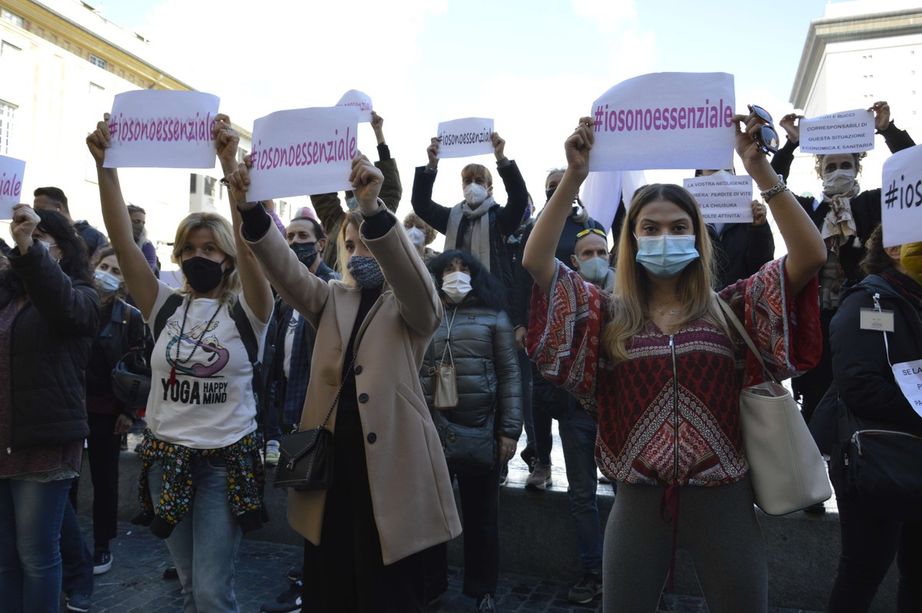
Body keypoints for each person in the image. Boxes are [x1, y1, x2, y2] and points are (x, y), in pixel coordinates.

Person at [522, 111, 827, 613]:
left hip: (724, 499)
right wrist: (574, 176)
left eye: (679, 227)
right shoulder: (605, 315)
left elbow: (810, 255)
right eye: (651, 227)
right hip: (638, 502)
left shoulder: (734, 309)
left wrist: (760, 170)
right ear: (633, 238)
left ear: (697, 236)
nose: (666, 236)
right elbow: (538, 262)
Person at [230, 152, 462, 612]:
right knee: (331, 588)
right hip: (331, 472)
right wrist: (251, 211)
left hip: (391, 474)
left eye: (368, 243)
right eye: (351, 245)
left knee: (388, 593)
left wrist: (374, 211)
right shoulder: (332, 297)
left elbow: (422, 298)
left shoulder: (410, 303)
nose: (359, 252)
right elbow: (287, 274)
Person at [86, 113, 273, 612]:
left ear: (228, 258)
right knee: (190, 588)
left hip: (221, 467)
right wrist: (107, 166)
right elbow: (123, 242)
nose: (198, 255)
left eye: (210, 248)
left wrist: (229, 163)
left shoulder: (248, 309)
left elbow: (256, 252)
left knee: (213, 592)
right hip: (166, 462)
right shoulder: (164, 305)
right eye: (189, 247)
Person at [771, 101, 915, 425]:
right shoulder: (807, 208)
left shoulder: (873, 202)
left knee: (870, 385)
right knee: (819, 400)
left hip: (870, 312)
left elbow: (912, 169)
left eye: (845, 165)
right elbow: (773, 183)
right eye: (830, 166)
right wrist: (793, 142)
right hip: (818, 319)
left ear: (857, 168)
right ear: (820, 171)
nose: (838, 172)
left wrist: (886, 129)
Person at [0, 205, 100, 613]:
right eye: (23, 237)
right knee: (5, 559)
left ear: (61, 250)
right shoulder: (7, 297)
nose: (27, 244)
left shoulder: (83, 297)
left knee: (37, 555)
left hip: (43, 443)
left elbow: (61, 303)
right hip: (4, 440)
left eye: (40, 239)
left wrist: (28, 250)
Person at [826, 226, 922, 612]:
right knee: (864, 569)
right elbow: (859, 384)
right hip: (876, 459)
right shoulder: (868, 303)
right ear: (895, 247)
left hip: (913, 456)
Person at [420, 249, 521, 611]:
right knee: (431, 517)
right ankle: (430, 585)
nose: (457, 274)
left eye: (464, 269)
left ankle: (481, 590)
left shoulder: (495, 318)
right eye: (449, 268)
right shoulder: (425, 316)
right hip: (432, 431)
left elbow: (510, 374)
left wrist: (509, 431)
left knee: (481, 519)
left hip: (481, 430)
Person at [259, 211, 339, 613]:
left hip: (320, 416)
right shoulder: (280, 293)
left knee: (317, 502)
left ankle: (316, 584)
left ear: (321, 243)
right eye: (288, 235)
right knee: (303, 499)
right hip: (292, 411)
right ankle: (309, 576)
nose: (294, 242)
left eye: (303, 235)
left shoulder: (329, 288)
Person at [525, 175, 608, 489]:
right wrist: (524, 324)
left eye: (601, 254)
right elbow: (530, 268)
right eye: (552, 182)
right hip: (548, 320)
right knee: (542, 399)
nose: (557, 186)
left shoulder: (590, 224)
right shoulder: (538, 226)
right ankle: (541, 460)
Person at [83, 248, 146, 573]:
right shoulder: (73, 303)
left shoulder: (130, 317)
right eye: (104, 266)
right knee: (65, 482)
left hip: (108, 413)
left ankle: (102, 544)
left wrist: (129, 412)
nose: (108, 273)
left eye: (117, 271)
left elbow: (136, 369)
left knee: (105, 480)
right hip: (70, 408)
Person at [410, 131, 528, 297]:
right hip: (455, 295)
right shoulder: (451, 217)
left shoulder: (500, 219)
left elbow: (519, 199)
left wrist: (501, 158)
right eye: (468, 181)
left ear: (489, 188)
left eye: (479, 181)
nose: (472, 185)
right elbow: (421, 204)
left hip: (493, 299)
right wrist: (431, 166)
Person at [312, 111, 402, 271]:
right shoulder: (337, 224)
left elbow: (391, 187)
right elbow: (322, 195)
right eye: (349, 246)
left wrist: (379, 134)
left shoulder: (382, 219)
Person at [693, 169, 774, 289]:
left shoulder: (750, 216)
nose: (721, 175)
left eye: (727, 171)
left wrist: (759, 228)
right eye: (714, 170)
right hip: (700, 301)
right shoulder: (688, 218)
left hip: (739, 301)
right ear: (699, 176)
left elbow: (762, 266)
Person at [33, 186, 109, 260]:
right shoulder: (39, 231)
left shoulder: (95, 237)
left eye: (41, 210)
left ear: (58, 208)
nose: (37, 215)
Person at [126, 204, 160, 274]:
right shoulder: (111, 244)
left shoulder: (147, 246)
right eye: (136, 222)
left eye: (143, 223)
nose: (141, 226)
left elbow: (147, 273)